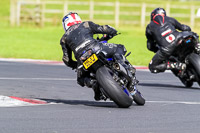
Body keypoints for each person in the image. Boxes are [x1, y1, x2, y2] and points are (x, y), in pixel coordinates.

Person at [60, 12, 135, 100]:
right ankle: (123, 65)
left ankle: (93, 84)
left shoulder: (64, 39)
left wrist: (75, 65)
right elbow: (104, 28)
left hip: (82, 59)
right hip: (96, 48)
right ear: (77, 19)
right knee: (119, 47)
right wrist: (112, 32)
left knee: (80, 80)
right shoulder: (86, 24)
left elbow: (66, 59)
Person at [145, 7, 200, 75]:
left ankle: (175, 65)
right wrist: (188, 29)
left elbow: (150, 46)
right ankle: (197, 46)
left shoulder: (149, 27)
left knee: (152, 67)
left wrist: (156, 49)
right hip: (180, 38)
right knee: (192, 35)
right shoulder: (169, 19)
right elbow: (184, 28)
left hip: (167, 48)